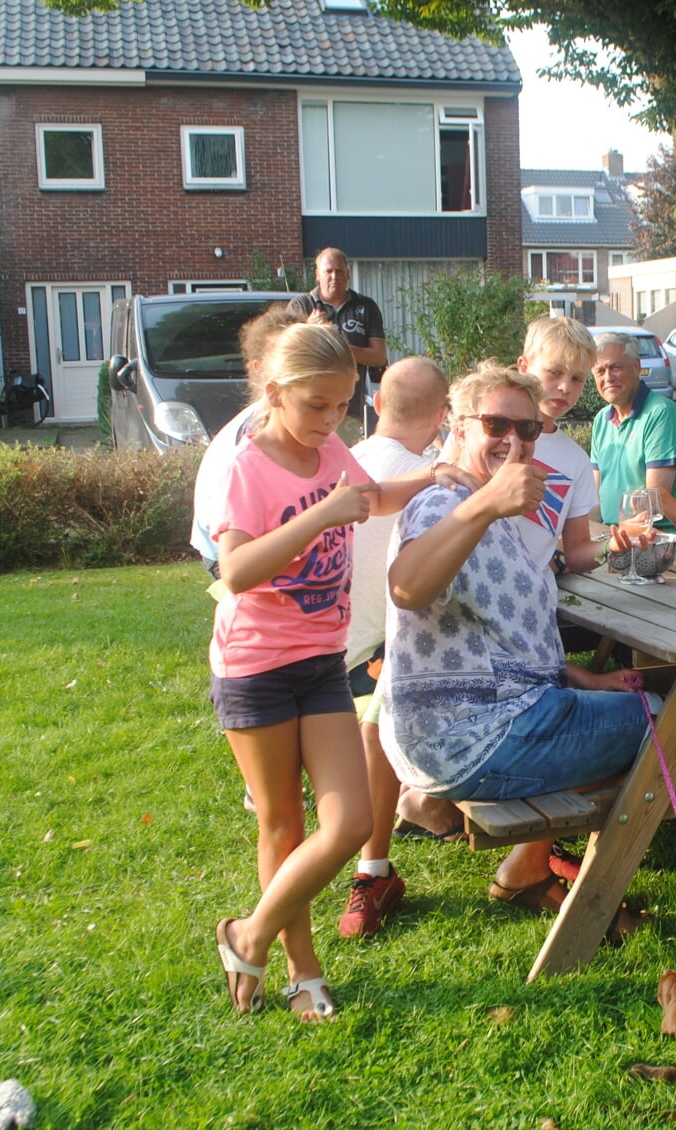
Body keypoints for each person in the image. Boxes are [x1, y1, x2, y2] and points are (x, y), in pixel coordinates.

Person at [207, 322, 438, 1022]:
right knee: (281, 824)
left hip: (320, 661)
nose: (330, 421)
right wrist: (322, 517)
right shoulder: (249, 467)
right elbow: (237, 569)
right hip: (256, 666)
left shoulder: (331, 447)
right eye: (316, 405)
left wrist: (439, 473)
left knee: (348, 822)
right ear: (273, 393)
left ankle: (248, 933)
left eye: (341, 406)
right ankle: (302, 970)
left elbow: (368, 500)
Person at [381, 362, 653, 940]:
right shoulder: (444, 505)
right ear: (458, 425)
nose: (514, 440)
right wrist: (484, 504)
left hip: (490, 721)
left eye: (527, 430)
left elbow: (504, 640)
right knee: (667, 721)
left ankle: (529, 865)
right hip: (469, 736)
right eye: (496, 424)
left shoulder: (493, 513)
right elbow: (407, 589)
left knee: (640, 701)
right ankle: (583, 894)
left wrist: (579, 676)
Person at [335, 357, 451, 939]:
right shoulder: (434, 477)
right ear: (441, 417)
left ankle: (421, 807)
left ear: (377, 404)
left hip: (328, 661)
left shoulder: (343, 462)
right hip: (375, 671)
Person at [190, 304, 304, 573]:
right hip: (226, 548)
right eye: (284, 356)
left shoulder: (289, 416)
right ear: (258, 367)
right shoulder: (260, 425)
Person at [515, 316, 605, 576]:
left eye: (577, 378)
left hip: (534, 599)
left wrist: (618, 546)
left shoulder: (576, 460)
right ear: (524, 366)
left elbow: (577, 553)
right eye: (554, 372)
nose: (565, 387)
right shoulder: (487, 433)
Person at [590, 332, 676, 531]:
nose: (608, 377)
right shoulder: (601, 420)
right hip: (613, 533)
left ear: (636, 368)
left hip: (656, 539)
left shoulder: (661, 415)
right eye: (600, 371)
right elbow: (595, 498)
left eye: (616, 367)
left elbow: (651, 503)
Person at [287, 247, 387, 430]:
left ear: (348, 274)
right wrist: (309, 331)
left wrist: (334, 343)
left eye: (339, 271)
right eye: (328, 271)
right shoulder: (300, 306)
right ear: (318, 274)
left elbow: (379, 356)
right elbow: (288, 355)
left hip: (351, 407)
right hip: (312, 404)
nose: (334, 276)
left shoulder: (366, 306)